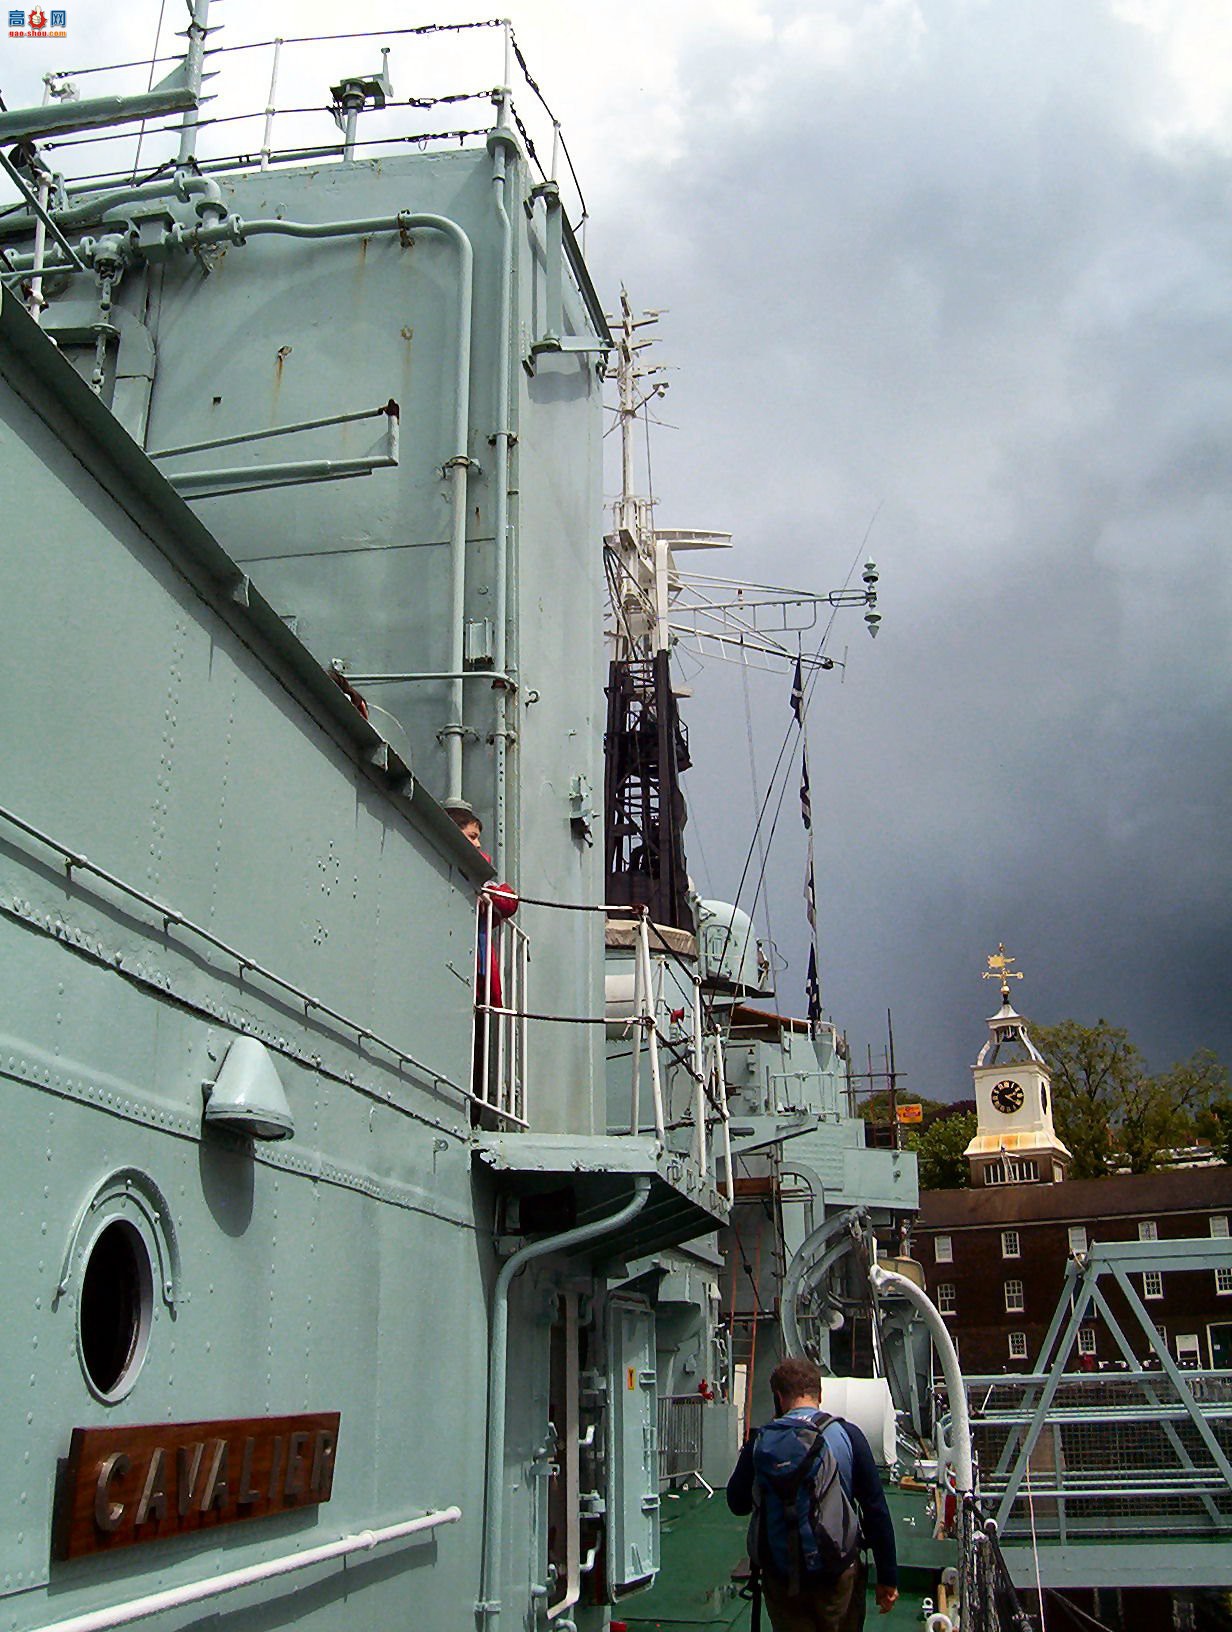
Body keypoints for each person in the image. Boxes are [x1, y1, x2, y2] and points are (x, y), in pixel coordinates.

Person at [727, 1357, 899, 1630]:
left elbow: (737, 1503)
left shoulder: (760, 1441)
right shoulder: (847, 1435)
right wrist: (888, 1577)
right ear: (820, 1394)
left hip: (780, 1573)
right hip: (836, 1571)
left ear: (779, 1396)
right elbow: (875, 1509)